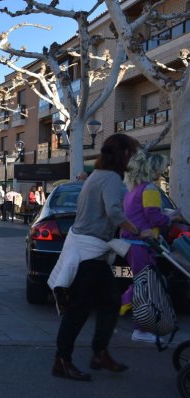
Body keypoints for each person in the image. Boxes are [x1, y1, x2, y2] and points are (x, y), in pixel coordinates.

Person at [50, 134, 140, 381]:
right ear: (121, 155)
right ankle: (64, 360)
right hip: (91, 253)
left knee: (107, 302)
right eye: (129, 153)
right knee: (82, 309)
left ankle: (97, 352)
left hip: (89, 251)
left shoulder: (95, 177)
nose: (130, 158)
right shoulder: (111, 178)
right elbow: (113, 211)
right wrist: (136, 230)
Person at [120, 151, 183, 342]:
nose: (162, 172)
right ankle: (138, 326)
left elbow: (140, 215)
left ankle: (139, 325)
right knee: (144, 286)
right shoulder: (150, 190)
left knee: (144, 284)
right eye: (161, 168)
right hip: (143, 245)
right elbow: (154, 217)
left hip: (133, 244)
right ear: (153, 169)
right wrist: (172, 216)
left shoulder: (132, 191)